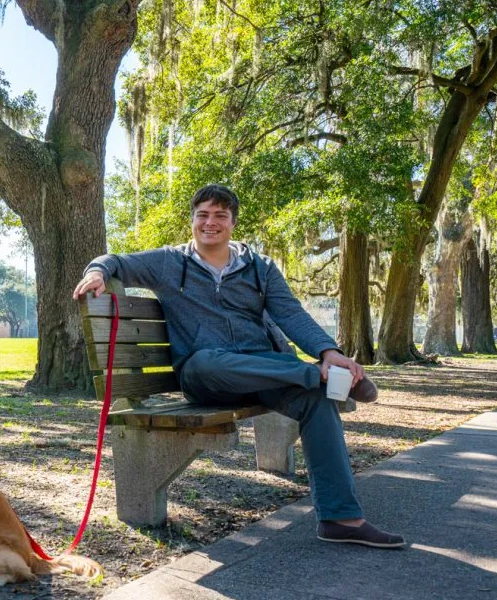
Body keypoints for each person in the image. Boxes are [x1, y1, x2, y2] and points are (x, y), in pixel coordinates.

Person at [73, 184, 405, 548]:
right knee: (207, 362)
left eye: (219, 215)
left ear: (232, 222)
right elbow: (116, 261)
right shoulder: (170, 263)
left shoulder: (259, 267)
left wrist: (327, 351)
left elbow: (290, 314)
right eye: (202, 215)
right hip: (208, 375)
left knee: (317, 401)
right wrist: (97, 272)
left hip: (262, 371)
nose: (210, 223)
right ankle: (317, 377)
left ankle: (342, 518)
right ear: (192, 220)